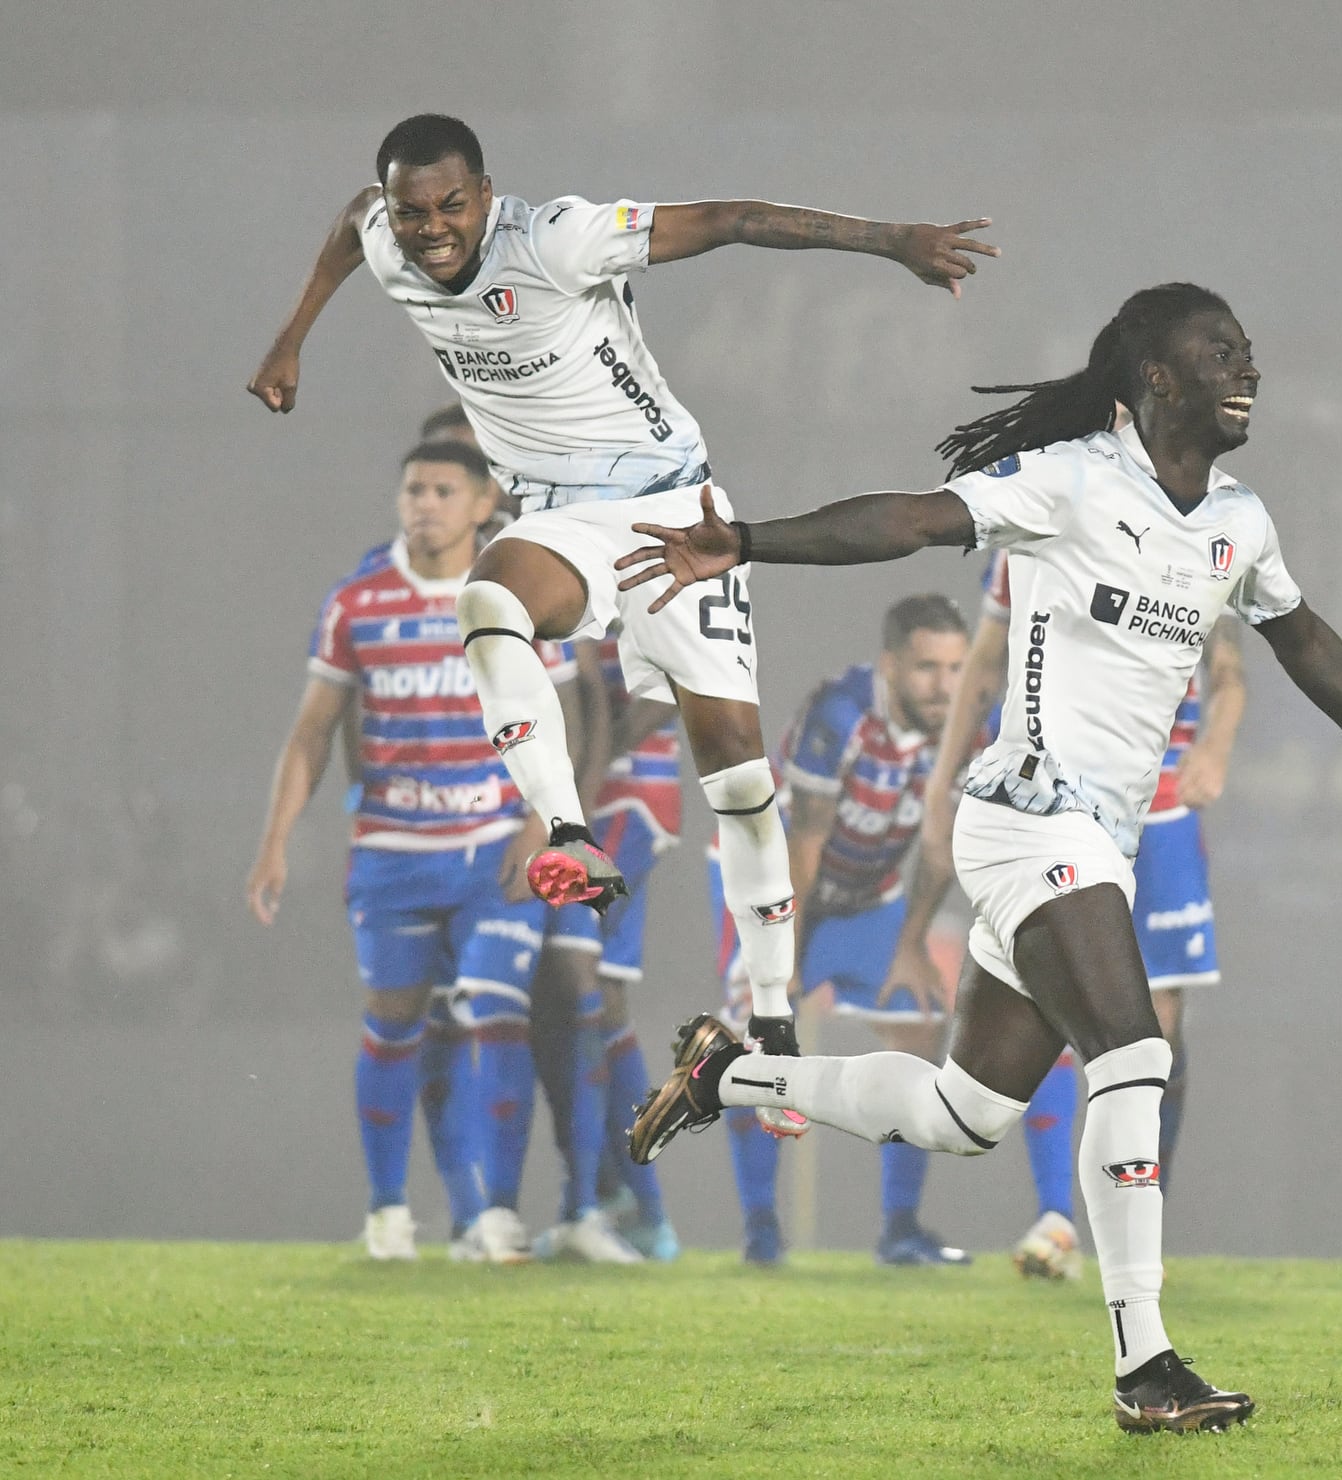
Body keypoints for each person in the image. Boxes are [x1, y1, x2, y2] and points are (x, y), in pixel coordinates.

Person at [622, 282, 1342, 1433]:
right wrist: (742, 542)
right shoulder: (1073, 478)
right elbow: (910, 521)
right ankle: (1147, 1364)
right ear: (1158, 379)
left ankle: (725, 1074)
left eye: (1247, 348)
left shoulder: (1240, 518)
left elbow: (1301, 636)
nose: (1247, 367)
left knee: (965, 1112)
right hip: (1031, 818)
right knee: (1135, 1056)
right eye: (1219, 351)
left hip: (1099, 843)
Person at [248, 112, 999, 1079]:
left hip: (672, 520)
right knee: (486, 602)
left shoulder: (557, 238)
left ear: (485, 192)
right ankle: (566, 831)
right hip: (557, 519)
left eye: (451, 204)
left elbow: (731, 218)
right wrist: (289, 340)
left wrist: (889, 241)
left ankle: (771, 1015)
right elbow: (350, 230)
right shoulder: (386, 235)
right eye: (412, 209)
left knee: (739, 782)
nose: (431, 227)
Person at [246, 441, 580, 1262]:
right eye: (412, 490)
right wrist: (275, 844)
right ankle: (388, 1210)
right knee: (395, 1025)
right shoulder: (358, 601)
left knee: (498, 1014)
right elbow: (312, 733)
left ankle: (496, 1213)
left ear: (480, 504)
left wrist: (544, 822)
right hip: (393, 850)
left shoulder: (519, 593)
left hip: (492, 849)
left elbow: (561, 718)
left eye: (440, 490)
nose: (423, 504)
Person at [909, 545, 1242, 1273]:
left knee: (1151, 1034)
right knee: (1061, 1006)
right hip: (1056, 808)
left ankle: (1140, 1213)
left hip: (1160, 821)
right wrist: (942, 782)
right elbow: (985, 665)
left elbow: (1229, 669)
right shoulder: (1035, 521)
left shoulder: (1196, 530)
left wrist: (1214, 745)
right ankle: (1058, 1214)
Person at [714, 594, 1046, 1269]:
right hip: (771, 893)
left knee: (917, 1025)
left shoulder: (967, 729)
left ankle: (899, 1229)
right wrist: (783, 966)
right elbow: (802, 846)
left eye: (957, 668)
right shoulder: (840, 713)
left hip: (871, 898)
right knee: (754, 1040)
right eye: (927, 668)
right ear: (890, 664)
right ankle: (760, 1229)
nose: (945, 685)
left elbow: (939, 845)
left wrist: (910, 945)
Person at [530, 628, 683, 1262]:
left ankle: (588, 1207)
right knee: (597, 1004)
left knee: (576, 988)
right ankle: (641, 1210)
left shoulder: (639, 558)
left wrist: (590, 766)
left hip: (618, 800)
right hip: (624, 798)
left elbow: (679, 676)